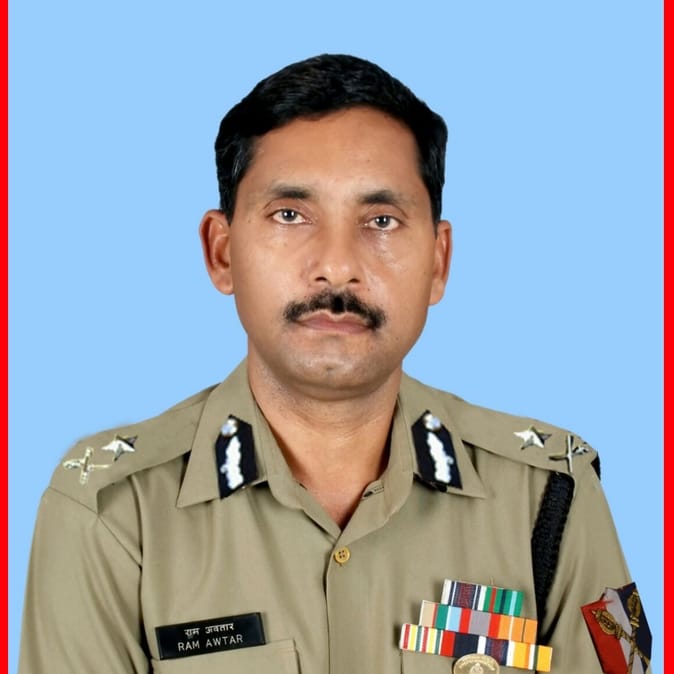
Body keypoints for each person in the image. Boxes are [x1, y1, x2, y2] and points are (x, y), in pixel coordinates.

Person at [19, 54, 650, 673]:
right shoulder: (112, 511)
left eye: (381, 220)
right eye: (290, 215)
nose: (337, 265)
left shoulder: (549, 495)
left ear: (438, 262)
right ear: (222, 252)